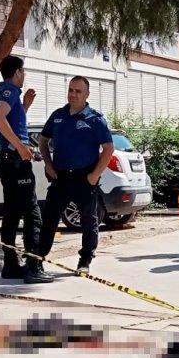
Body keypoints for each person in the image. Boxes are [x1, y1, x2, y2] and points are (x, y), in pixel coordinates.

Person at [37, 76, 115, 275]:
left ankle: (85, 260)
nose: (73, 94)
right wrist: (48, 164)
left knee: (89, 222)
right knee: (49, 219)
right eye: (71, 90)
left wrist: (94, 175)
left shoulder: (95, 119)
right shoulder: (58, 116)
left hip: (84, 177)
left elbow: (108, 148)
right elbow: (42, 140)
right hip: (60, 177)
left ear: (87, 94)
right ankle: (37, 260)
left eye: (78, 91)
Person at [0, 55, 50, 284]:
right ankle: (34, 266)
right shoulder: (9, 92)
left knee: (12, 214)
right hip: (14, 161)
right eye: (23, 72)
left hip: (8, 160)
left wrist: (25, 106)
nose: (24, 76)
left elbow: (10, 120)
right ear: (16, 73)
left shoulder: (2, 93)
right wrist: (20, 147)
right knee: (32, 214)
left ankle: (11, 265)